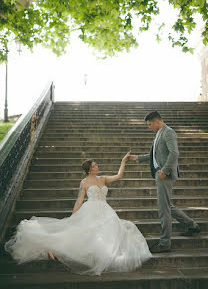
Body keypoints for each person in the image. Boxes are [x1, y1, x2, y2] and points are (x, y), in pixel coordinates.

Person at [4, 151, 152, 276]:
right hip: (91, 210)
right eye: (94, 166)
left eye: (96, 165)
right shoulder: (84, 182)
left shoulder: (103, 178)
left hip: (106, 210)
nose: (97, 167)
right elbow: (79, 201)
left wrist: (123, 161)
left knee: (114, 230)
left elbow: (119, 176)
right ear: (89, 170)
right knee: (78, 232)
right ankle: (53, 248)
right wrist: (74, 216)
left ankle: (99, 253)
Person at [128, 111, 200, 253]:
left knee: (163, 209)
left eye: (149, 124)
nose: (149, 127)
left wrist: (164, 171)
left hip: (164, 175)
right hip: (160, 174)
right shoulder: (159, 133)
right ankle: (192, 226)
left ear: (156, 121)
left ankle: (165, 242)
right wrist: (137, 157)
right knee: (167, 206)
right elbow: (155, 154)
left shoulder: (168, 132)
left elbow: (174, 153)